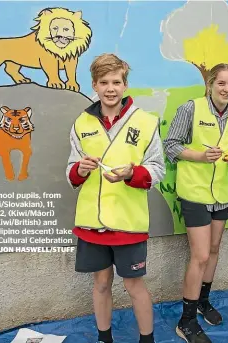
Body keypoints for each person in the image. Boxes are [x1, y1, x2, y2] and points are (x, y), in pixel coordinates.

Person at [66, 53, 165, 343]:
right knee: (101, 283)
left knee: (134, 285)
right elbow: (71, 170)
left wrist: (131, 173)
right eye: (104, 82)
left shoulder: (145, 122)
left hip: (128, 223)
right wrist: (79, 169)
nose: (110, 88)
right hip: (91, 223)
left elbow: (158, 168)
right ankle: (104, 337)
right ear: (94, 85)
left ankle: (147, 339)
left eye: (116, 82)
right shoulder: (81, 123)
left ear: (125, 84)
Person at [163, 63, 228, 343]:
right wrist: (200, 157)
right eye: (221, 83)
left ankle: (202, 301)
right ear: (210, 85)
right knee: (199, 256)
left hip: (222, 193)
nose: (226, 89)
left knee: (213, 250)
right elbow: (171, 144)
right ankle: (185, 321)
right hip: (195, 193)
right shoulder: (191, 108)